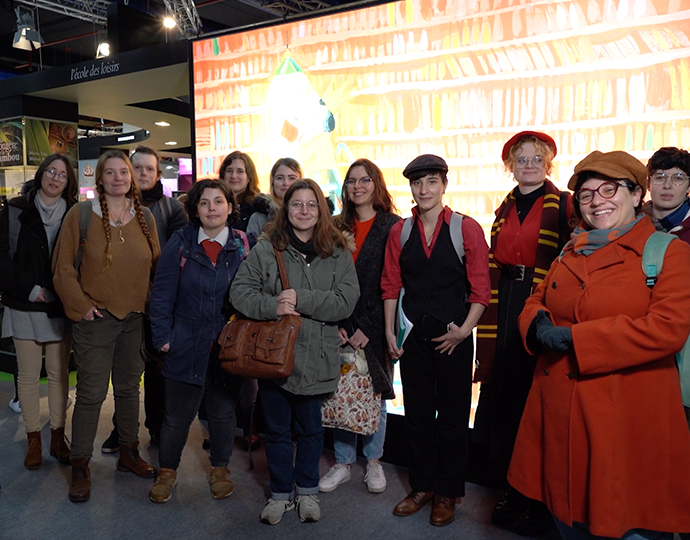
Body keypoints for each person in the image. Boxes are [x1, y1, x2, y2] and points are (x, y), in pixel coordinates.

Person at [510, 150, 690, 540]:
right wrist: (535, 324)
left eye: (609, 189)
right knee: (568, 518)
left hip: (627, 422)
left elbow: (667, 328)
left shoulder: (669, 253)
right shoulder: (569, 250)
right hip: (559, 417)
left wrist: (576, 339)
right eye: (587, 194)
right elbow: (535, 300)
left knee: (627, 523)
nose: (597, 201)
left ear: (634, 194)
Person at [230, 179, 359, 525]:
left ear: (321, 210)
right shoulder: (267, 247)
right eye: (296, 204)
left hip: (317, 356)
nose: (304, 211)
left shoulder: (338, 250)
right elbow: (240, 293)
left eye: (311, 204)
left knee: (312, 431)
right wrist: (274, 306)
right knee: (275, 429)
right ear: (286, 209)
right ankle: (281, 494)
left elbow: (346, 300)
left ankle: (307, 491)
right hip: (275, 357)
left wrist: (302, 298)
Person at [381, 154, 490, 527]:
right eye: (417, 183)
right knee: (418, 415)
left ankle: (448, 491)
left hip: (455, 339)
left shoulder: (466, 229)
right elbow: (391, 285)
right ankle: (422, 485)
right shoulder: (402, 232)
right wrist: (389, 332)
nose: (424, 189)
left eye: (431, 182)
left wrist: (464, 331)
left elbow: (481, 290)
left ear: (444, 185)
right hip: (414, 338)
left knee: (454, 418)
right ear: (410, 188)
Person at [472, 131, 570, 535]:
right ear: (510, 165)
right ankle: (513, 487)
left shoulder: (563, 204)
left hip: (540, 300)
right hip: (504, 300)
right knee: (506, 401)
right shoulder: (504, 207)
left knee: (535, 403)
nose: (528, 165)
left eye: (535, 159)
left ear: (547, 164)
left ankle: (539, 497)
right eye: (521, 159)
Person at [52, 149, 160, 503]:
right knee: (92, 394)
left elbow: (156, 269)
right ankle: (80, 463)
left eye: (123, 172)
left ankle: (128, 452)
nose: (118, 178)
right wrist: (81, 307)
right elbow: (63, 269)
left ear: (131, 177)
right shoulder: (80, 215)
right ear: (99, 178)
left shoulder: (145, 217)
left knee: (130, 390)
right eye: (110, 172)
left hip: (134, 319)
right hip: (95, 319)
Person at [147, 179, 247, 503]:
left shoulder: (244, 245)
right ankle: (167, 472)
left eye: (219, 202)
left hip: (226, 345)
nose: (212, 209)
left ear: (230, 207)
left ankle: (220, 468)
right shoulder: (180, 244)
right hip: (184, 342)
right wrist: (163, 337)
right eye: (204, 203)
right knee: (176, 416)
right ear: (195, 209)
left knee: (221, 414)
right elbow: (161, 295)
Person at [319, 158, 400, 494]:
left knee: (374, 397)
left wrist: (370, 325)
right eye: (351, 181)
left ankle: (374, 462)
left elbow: (396, 283)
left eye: (364, 180)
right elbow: (325, 279)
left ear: (376, 184)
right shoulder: (335, 226)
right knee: (340, 396)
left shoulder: (393, 226)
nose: (358, 186)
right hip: (340, 324)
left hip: (376, 326)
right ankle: (342, 463)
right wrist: (337, 322)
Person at [101, 145, 188, 454]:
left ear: (158, 172)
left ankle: (157, 429)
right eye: (137, 168)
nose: (143, 174)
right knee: (124, 373)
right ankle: (122, 430)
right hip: (122, 301)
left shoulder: (172, 209)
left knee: (156, 373)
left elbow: (177, 257)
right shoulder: (113, 207)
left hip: (158, 303)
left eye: (149, 169)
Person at [0, 154, 77, 470]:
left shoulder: (75, 214)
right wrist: (31, 289)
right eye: (51, 171)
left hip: (60, 305)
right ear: (41, 174)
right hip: (24, 303)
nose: (55, 178)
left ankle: (58, 437)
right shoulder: (16, 210)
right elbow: (2, 259)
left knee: (60, 377)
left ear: (68, 182)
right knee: (28, 377)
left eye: (62, 174)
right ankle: (34, 439)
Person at [246, 157, 303, 239]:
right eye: (280, 178)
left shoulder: (310, 214)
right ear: (272, 183)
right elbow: (251, 250)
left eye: (292, 178)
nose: (286, 183)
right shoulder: (258, 218)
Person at [218, 150, 261, 233]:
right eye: (229, 171)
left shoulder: (257, 209)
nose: (234, 176)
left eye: (240, 171)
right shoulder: (212, 204)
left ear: (249, 177)